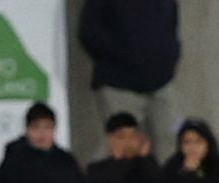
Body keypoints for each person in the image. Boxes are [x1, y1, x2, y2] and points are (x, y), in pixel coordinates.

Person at [77, 0, 179, 144]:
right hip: (119, 86)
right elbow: (89, 32)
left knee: (171, 143)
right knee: (126, 149)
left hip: (161, 84)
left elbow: (172, 26)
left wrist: (170, 57)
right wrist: (124, 56)